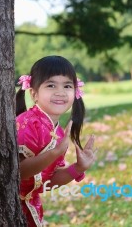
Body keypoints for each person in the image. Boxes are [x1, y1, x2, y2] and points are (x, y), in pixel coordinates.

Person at [16, 56, 96, 227]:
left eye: (67, 86)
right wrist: (54, 153)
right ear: (34, 93)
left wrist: (78, 168)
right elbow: (18, 173)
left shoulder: (59, 133)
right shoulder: (27, 123)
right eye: (51, 85)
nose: (60, 92)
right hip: (10, 206)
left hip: (30, 209)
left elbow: (46, 183)